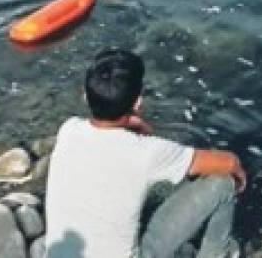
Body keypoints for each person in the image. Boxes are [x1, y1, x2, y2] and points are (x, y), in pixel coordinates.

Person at [43, 49, 247, 258]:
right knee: (223, 183)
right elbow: (228, 163)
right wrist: (239, 175)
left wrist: (131, 122)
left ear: (85, 96)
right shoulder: (146, 153)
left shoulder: (68, 130)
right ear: (138, 103)